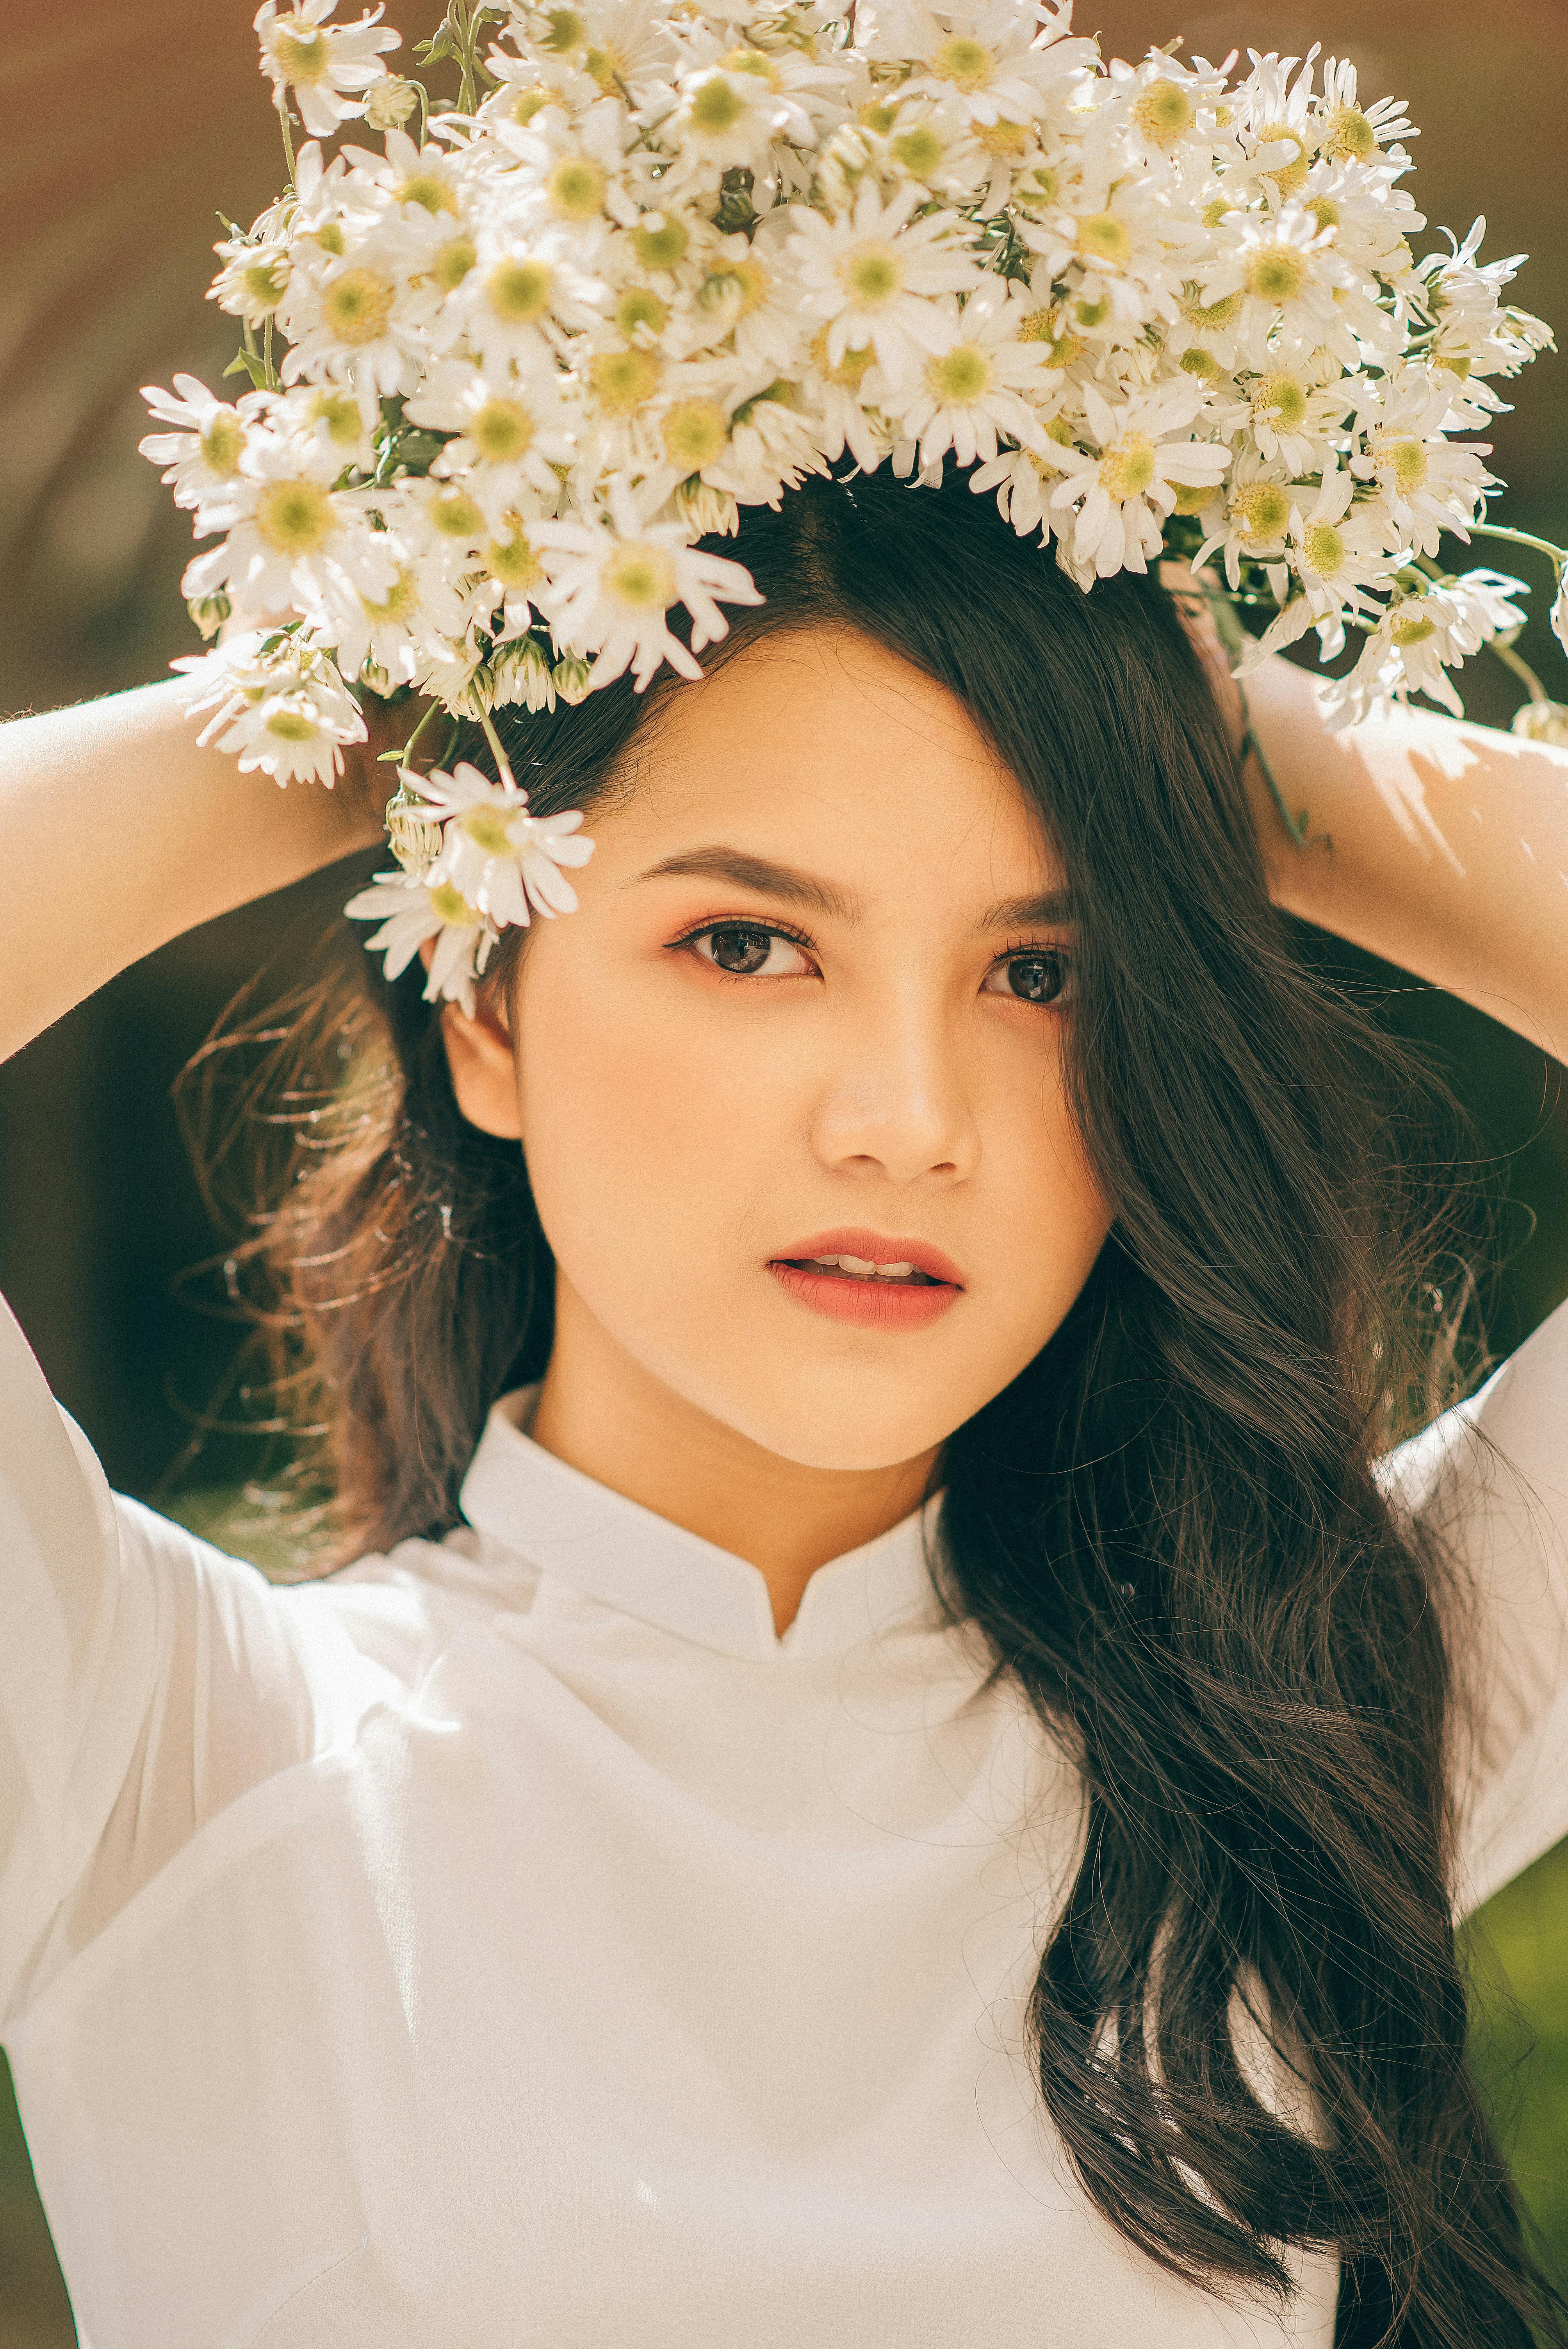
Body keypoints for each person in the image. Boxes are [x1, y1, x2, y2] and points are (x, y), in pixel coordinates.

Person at [2, 468, 1567, 2349]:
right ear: (480, 1008)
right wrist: (387, 704)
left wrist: (1202, 742)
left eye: (1038, 972)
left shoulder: (1313, 1719)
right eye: (747, 943)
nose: (908, 1115)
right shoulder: (165, 1753)